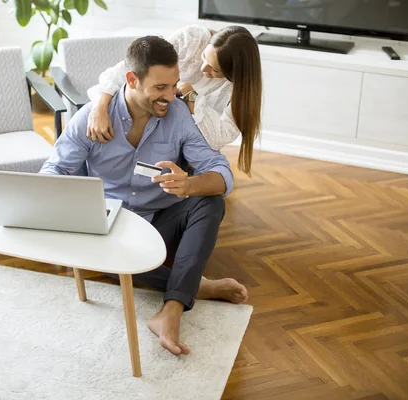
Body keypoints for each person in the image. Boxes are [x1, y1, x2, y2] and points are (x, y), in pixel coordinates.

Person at [40, 35, 248, 356]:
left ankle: (172, 309)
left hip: (161, 222)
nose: (171, 95)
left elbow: (219, 171)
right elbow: (55, 170)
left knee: (210, 202)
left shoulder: (178, 115)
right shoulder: (93, 119)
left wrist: (190, 185)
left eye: (174, 85)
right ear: (132, 80)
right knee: (104, 254)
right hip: (110, 225)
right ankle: (194, 284)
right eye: (160, 88)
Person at [86, 24, 263, 176]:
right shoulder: (191, 39)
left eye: (214, 70)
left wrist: (193, 99)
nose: (203, 69)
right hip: (148, 116)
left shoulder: (238, 91)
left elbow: (219, 138)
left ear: (232, 75)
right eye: (204, 58)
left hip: (185, 137)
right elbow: (127, 70)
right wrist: (99, 107)